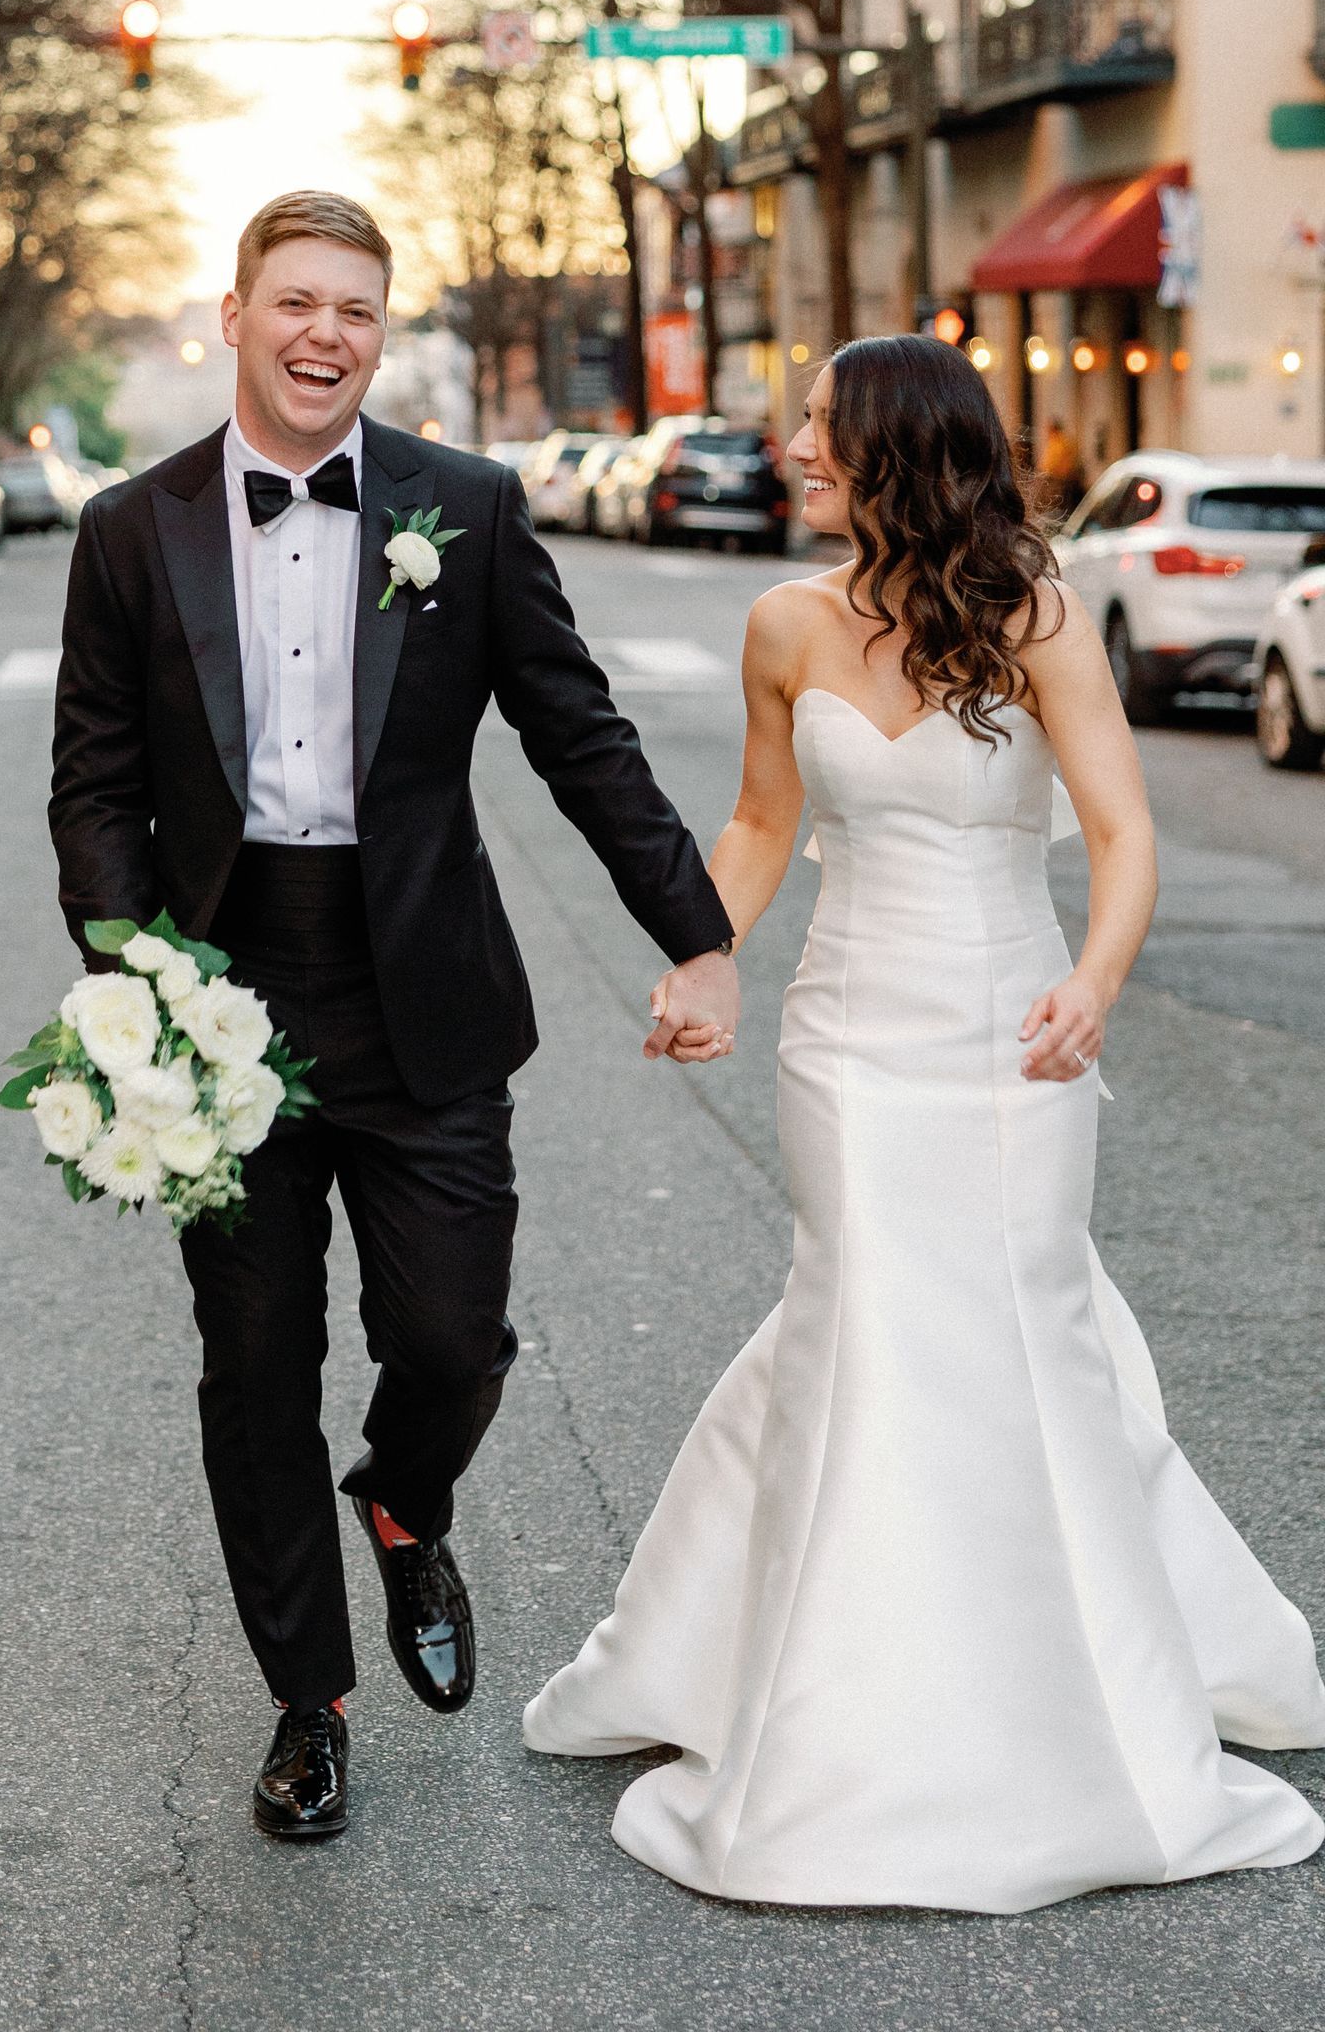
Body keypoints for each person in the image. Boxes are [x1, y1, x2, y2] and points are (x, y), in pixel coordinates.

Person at [523, 333, 1325, 1911]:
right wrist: (708, 961)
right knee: (870, 1318)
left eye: (821, 427)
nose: (796, 447)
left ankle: (1067, 1688)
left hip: (1013, 1034)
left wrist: (1094, 983)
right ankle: (843, 1701)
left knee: (1023, 1328)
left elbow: (1122, 828)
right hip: (846, 1041)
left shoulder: (1031, 616)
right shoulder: (783, 624)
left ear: (896, 448)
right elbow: (760, 822)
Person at [49, 189, 738, 1843]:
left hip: (420, 987)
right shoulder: (131, 532)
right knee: (256, 1364)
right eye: (294, 302)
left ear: (380, 330)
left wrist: (698, 935)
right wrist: (140, 975)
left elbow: (583, 736)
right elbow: (97, 781)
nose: (322, 335)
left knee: (449, 1337)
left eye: (354, 309)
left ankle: (408, 1501)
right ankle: (311, 1702)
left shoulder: (472, 511)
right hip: (222, 998)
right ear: (233, 317)